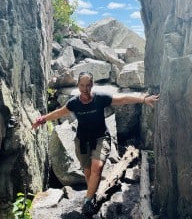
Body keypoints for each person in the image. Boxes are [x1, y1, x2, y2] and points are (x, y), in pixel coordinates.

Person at [32, 71, 159, 216]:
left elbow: (122, 99)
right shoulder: (74, 102)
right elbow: (58, 113)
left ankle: (87, 201)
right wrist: (41, 120)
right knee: (87, 173)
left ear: (92, 84)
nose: (85, 88)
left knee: (97, 168)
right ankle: (91, 192)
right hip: (82, 140)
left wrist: (143, 99)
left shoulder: (100, 98)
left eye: (88, 85)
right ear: (78, 85)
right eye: (82, 85)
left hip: (101, 137)